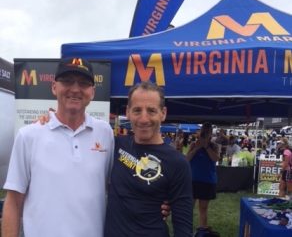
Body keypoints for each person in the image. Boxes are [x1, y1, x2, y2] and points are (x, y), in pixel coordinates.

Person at [1, 57, 115, 237]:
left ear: (92, 92)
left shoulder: (105, 133)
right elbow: (13, 202)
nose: (75, 89)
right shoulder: (28, 135)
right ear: (54, 87)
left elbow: (117, 188)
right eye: (67, 81)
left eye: (83, 83)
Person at [104, 81, 193, 237]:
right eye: (137, 110)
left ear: (163, 113)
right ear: (128, 112)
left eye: (151, 111)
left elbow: (183, 226)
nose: (143, 119)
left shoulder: (178, 163)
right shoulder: (115, 145)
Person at [186, 122, 220, 235]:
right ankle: (187, 230)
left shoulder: (214, 146)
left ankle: (202, 231)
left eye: (208, 131)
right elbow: (186, 159)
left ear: (211, 133)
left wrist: (206, 147)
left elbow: (215, 159)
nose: (205, 133)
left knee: (203, 208)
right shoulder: (194, 144)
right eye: (204, 131)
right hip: (193, 180)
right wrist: (196, 148)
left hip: (207, 180)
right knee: (189, 207)